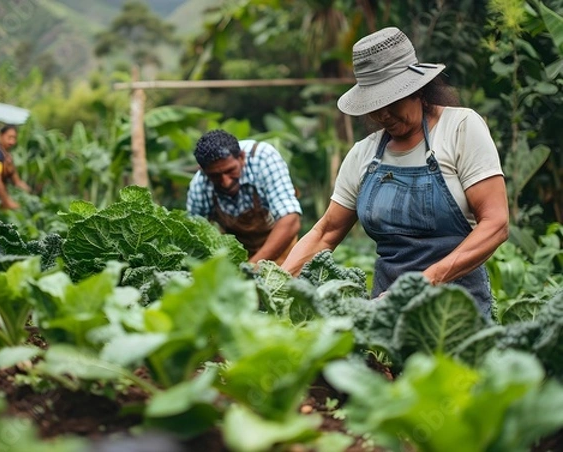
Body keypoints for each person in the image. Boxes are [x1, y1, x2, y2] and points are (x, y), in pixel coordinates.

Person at [281, 27, 509, 318]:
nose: (383, 114)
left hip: (457, 316)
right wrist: (277, 283)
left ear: (418, 90)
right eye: (375, 106)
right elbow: (325, 232)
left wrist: (421, 285)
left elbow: (496, 223)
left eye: (391, 102)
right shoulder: (364, 153)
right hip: (385, 316)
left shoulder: (461, 128)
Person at [187, 129, 302, 264]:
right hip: (239, 258)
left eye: (230, 171)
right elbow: (195, 236)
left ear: (241, 157)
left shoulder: (263, 158)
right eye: (215, 176)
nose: (226, 182)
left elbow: (290, 221)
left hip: (281, 249)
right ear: (202, 170)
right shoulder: (199, 186)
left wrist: (252, 268)